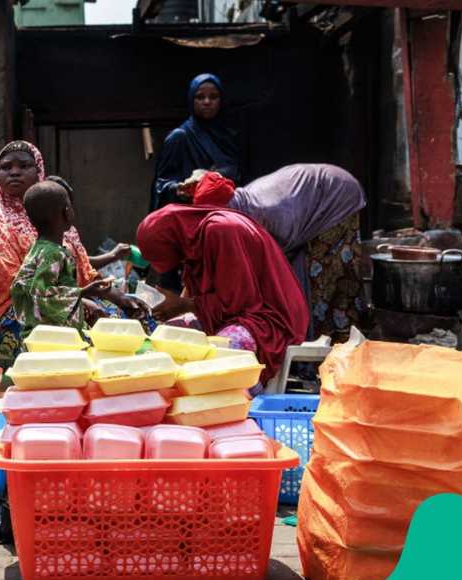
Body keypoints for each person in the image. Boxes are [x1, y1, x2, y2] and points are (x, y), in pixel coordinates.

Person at [0, 142, 105, 366]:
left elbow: (75, 261)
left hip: (55, 296)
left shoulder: (49, 207)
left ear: (38, 170)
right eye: (6, 167)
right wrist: (77, 298)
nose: (14, 172)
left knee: (115, 316)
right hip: (9, 311)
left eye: (24, 165)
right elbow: (16, 285)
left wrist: (96, 295)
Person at [190, 165, 367, 342]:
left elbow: (273, 266)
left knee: (322, 276)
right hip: (309, 197)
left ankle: (333, 341)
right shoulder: (241, 204)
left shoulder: (269, 216)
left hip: (337, 197)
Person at [136, 205, 308, 387]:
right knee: (167, 339)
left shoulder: (221, 230)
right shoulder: (194, 241)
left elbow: (239, 301)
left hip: (270, 317)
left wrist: (185, 305)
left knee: (220, 355)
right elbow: (197, 293)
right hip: (239, 313)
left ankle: (242, 401)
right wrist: (173, 309)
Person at [11, 181, 145, 339]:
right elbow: (41, 294)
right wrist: (84, 291)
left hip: (53, 333)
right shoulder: (52, 254)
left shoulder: (41, 248)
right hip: (51, 338)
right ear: (67, 212)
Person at [151, 73, 243, 211]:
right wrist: (180, 188)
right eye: (200, 97)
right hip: (191, 214)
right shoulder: (180, 137)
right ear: (191, 100)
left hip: (228, 212)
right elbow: (161, 186)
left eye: (213, 97)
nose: (207, 102)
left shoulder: (230, 137)